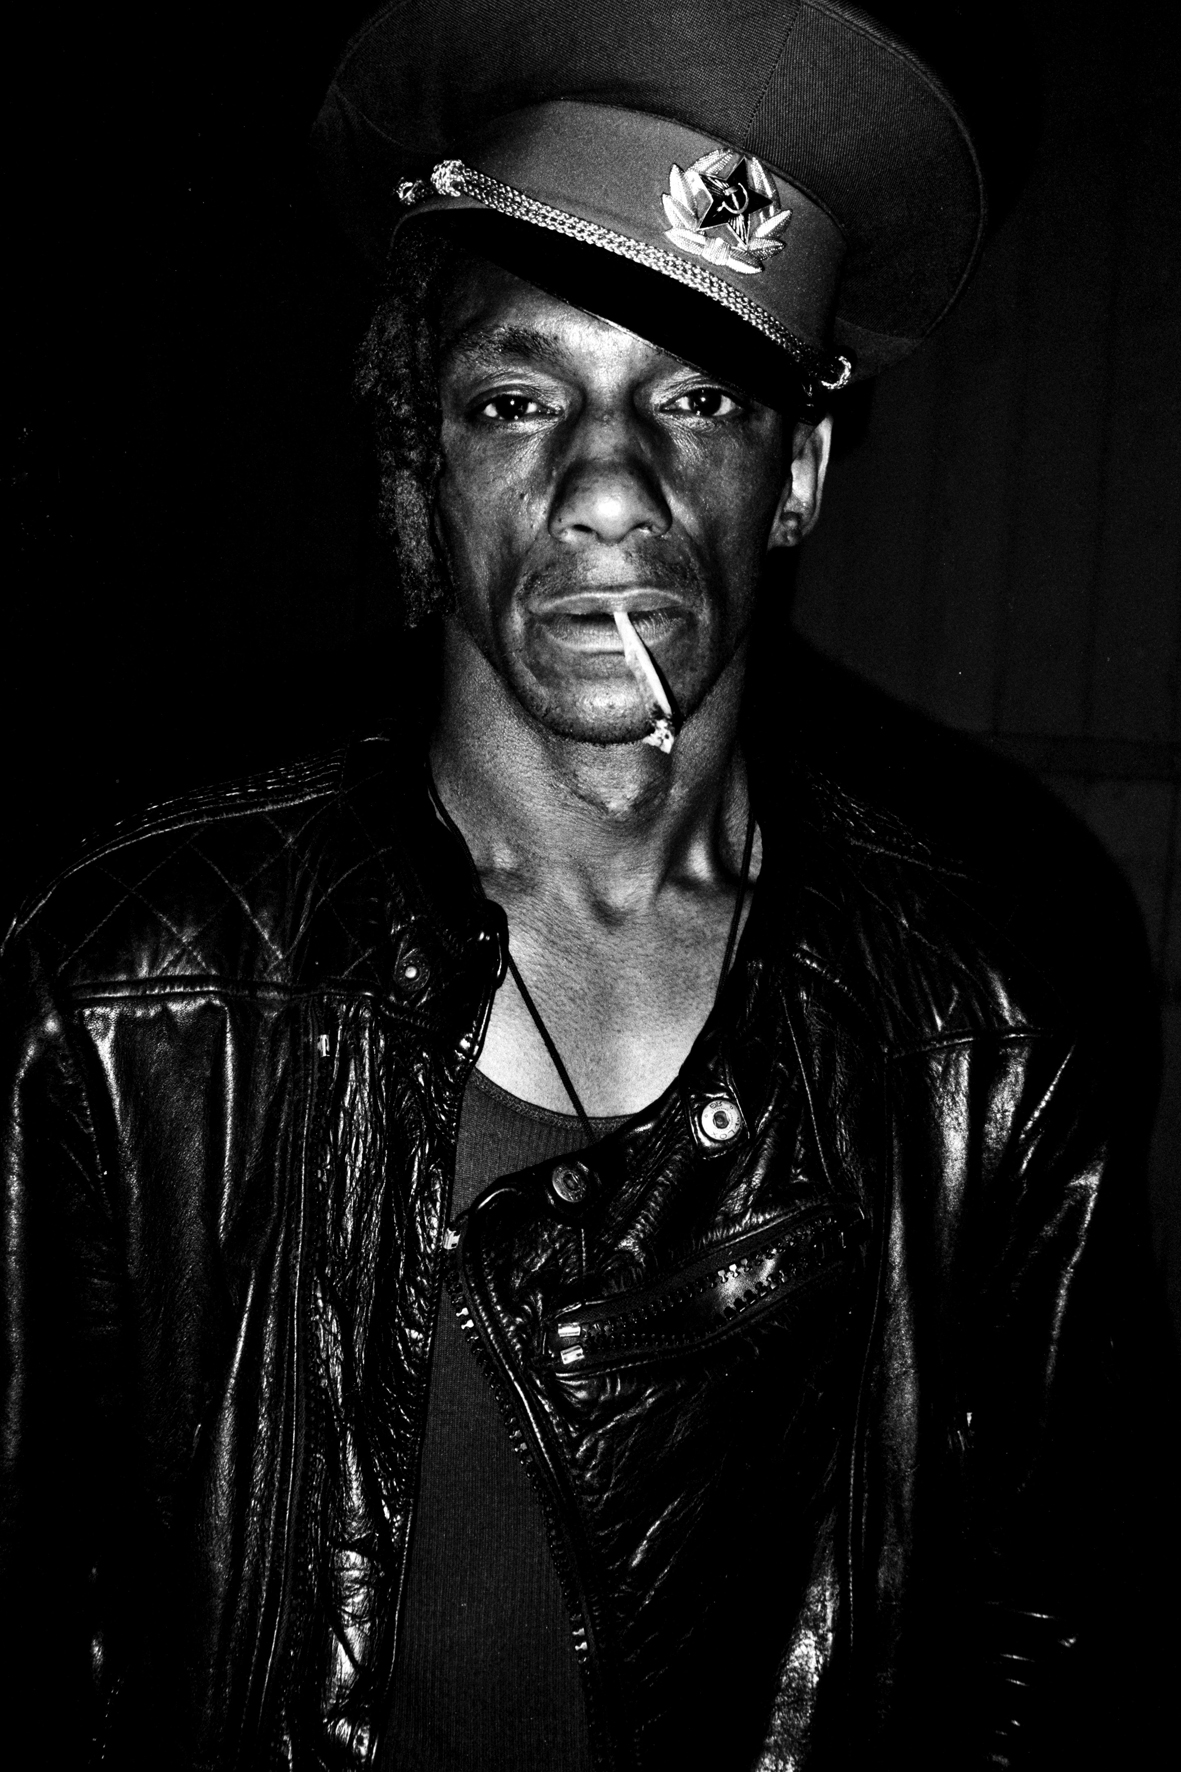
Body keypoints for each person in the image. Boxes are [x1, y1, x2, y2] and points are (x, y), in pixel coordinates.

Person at [0, 2, 1166, 1767]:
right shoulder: (119, 978)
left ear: (798, 473)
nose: (608, 487)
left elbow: (1055, 1626)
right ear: (425, 462)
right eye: (517, 399)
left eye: (695, 399)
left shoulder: (984, 1009)